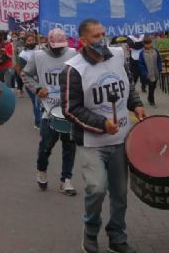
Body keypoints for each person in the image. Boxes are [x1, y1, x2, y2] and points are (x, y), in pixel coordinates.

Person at [61, 19, 146, 253]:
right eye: (96, 36)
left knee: (120, 194)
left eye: (103, 34)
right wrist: (101, 124)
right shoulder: (73, 69)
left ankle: (117, 236)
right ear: (83, 40)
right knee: (96, 189)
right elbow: (70, 108)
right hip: (92, 143)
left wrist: (136, 104)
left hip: (121, 140)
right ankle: (90, 232)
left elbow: (127, 84)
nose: (102, 40)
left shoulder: (118, 56)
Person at [22, 28, 78, 195]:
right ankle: (42, 170)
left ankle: (66, 179)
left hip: (68, 108)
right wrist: (37, 88)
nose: (58, 50)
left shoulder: (73, 54)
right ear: (48, 43)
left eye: (61, 46)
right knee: (46, 145)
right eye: (55, 47)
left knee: (70, 146)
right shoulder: (38, 56)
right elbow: (25, 74)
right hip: (48, 109)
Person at [15, 33, 42, 129]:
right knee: (36, 102)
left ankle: (40, 120)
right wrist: (24, 81)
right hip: (30, 82)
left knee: (41, 101)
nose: (31, 42)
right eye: (29, 40)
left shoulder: (40, 49)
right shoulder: (23, 54)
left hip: (42, 80)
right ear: (25, 42)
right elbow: (20, 69)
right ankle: (39, 122)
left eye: (33, 40)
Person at [137, 36, 161, 107]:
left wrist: (159, 68)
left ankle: (149, 97)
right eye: (146, 44)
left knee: (154, 87)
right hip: (148, 74)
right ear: (144, 44)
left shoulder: (155, 51)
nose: (148, 45)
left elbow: (158, 60)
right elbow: (140, 64)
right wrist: (145, 73)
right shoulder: (142, 53)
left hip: (155, 72)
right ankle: (152, 101)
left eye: (149, 43)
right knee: (151, 87)